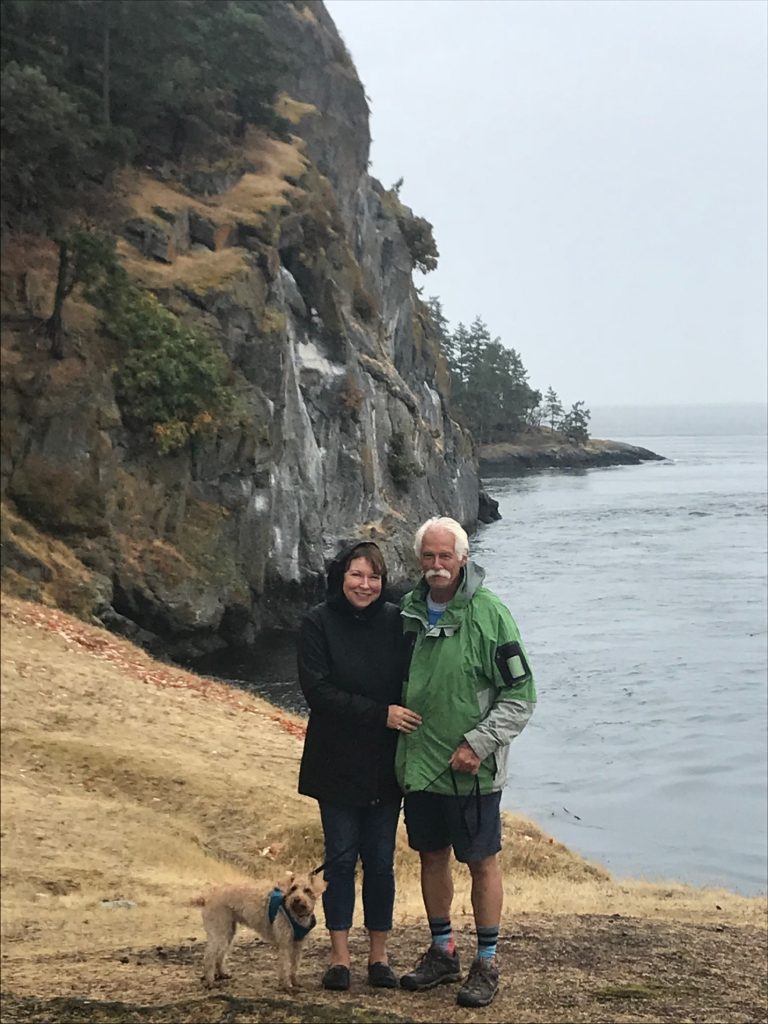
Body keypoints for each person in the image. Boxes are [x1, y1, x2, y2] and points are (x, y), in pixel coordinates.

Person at [396, 516, 536, 1009]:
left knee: (481, 861)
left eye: (445, 557)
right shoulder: (408, 611)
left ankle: (488, 961)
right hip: (420, 767)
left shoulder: (491, 614)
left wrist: (478, 744)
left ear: (463, 558)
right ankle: (442, 951)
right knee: (431, 855)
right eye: (429, 557)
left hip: (472, 771)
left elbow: (521, 694)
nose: (437, 566)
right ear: (420, 559)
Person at [297, 541, 422, 992]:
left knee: (381, 863)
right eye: (356, 575)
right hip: (336, 762)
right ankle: (339, 957)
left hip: (385, 763)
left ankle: (380, 957)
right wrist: (380, 713)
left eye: (374, 577)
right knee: (341, 860)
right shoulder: (316, 622)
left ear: (383, 581)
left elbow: (416, 678)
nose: (365, 585)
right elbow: (318, 692)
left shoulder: (396, 622)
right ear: (340, 577)